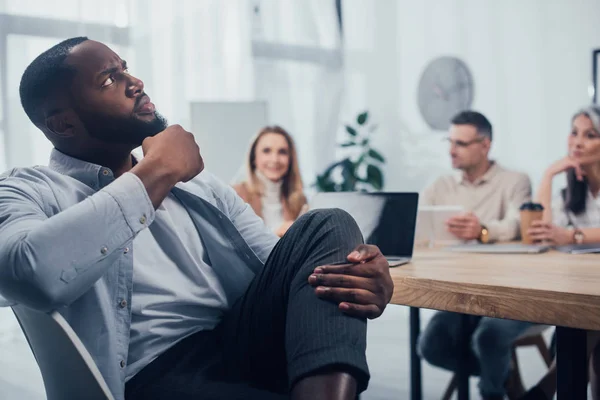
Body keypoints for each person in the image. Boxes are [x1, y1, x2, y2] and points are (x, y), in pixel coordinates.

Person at [0, 37, 395, 400]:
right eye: (109, 80)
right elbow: (29, 271)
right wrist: (158, 171)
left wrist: (355, 276)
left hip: (237, 343)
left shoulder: (197, 184)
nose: (134, 82)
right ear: (62, 124)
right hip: (153, 376)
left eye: (126, 68)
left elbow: (287, 270)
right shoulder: (26, 190)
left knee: (327, 223)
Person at [418, 110, 533, 400]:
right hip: (458, 290)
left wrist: (482, 230)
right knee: (430, 346)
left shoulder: (514, 181)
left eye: (461, 143)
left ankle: (491, 390)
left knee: (489, 336)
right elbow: (416, 227)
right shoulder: (440, 186)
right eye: (450, 141)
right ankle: (501, 376)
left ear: (485, 145)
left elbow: (519, 224)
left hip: (508, 290)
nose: (451, 150)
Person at [519, 105, 600, 400]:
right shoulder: (571, 189)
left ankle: (547, 387)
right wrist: (549, 175)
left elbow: (563, 235)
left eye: (590, 135)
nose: (577, 142)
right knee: (584, 316)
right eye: (574, 133)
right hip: (584, 288)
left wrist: (572, 236)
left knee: (587, 319)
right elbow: (541, 233)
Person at [234, 126, 308, 237]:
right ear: (254, 158)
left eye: (282, 152)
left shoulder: (299, 200)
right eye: (266, 151)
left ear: (291, 159)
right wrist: (274, 234)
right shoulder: (236, 195)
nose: (275, 159)